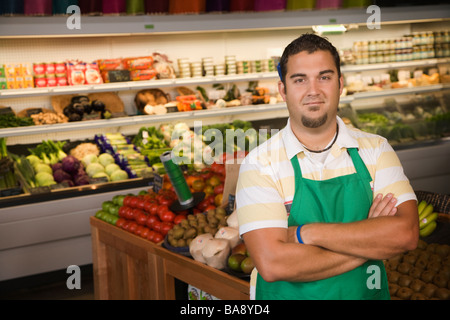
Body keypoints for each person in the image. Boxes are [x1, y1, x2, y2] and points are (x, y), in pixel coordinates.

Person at [235, 33, 419, 300]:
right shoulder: (260, 165)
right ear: (283, 90)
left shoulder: (376, 150)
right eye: (300, 80)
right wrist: (371, 239)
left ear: (340, 84)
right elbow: (274, 263)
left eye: (325, 77)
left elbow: (405, 234)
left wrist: (304, 233)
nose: (313, 90)